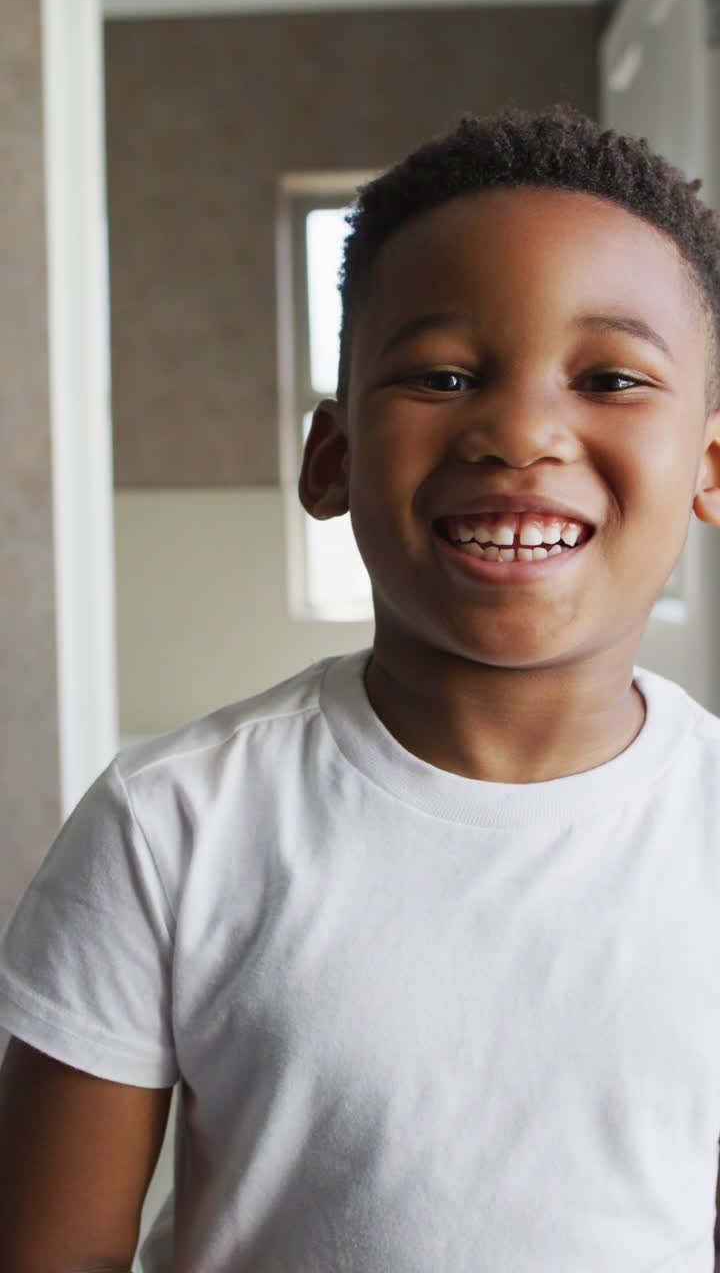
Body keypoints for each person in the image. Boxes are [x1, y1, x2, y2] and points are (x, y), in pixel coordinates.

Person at [1, 103, 720, 1273]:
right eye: (442, 372)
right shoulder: (171, 822)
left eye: (611, 377)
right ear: (330, 457)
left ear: (708, 464)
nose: (523, 429)